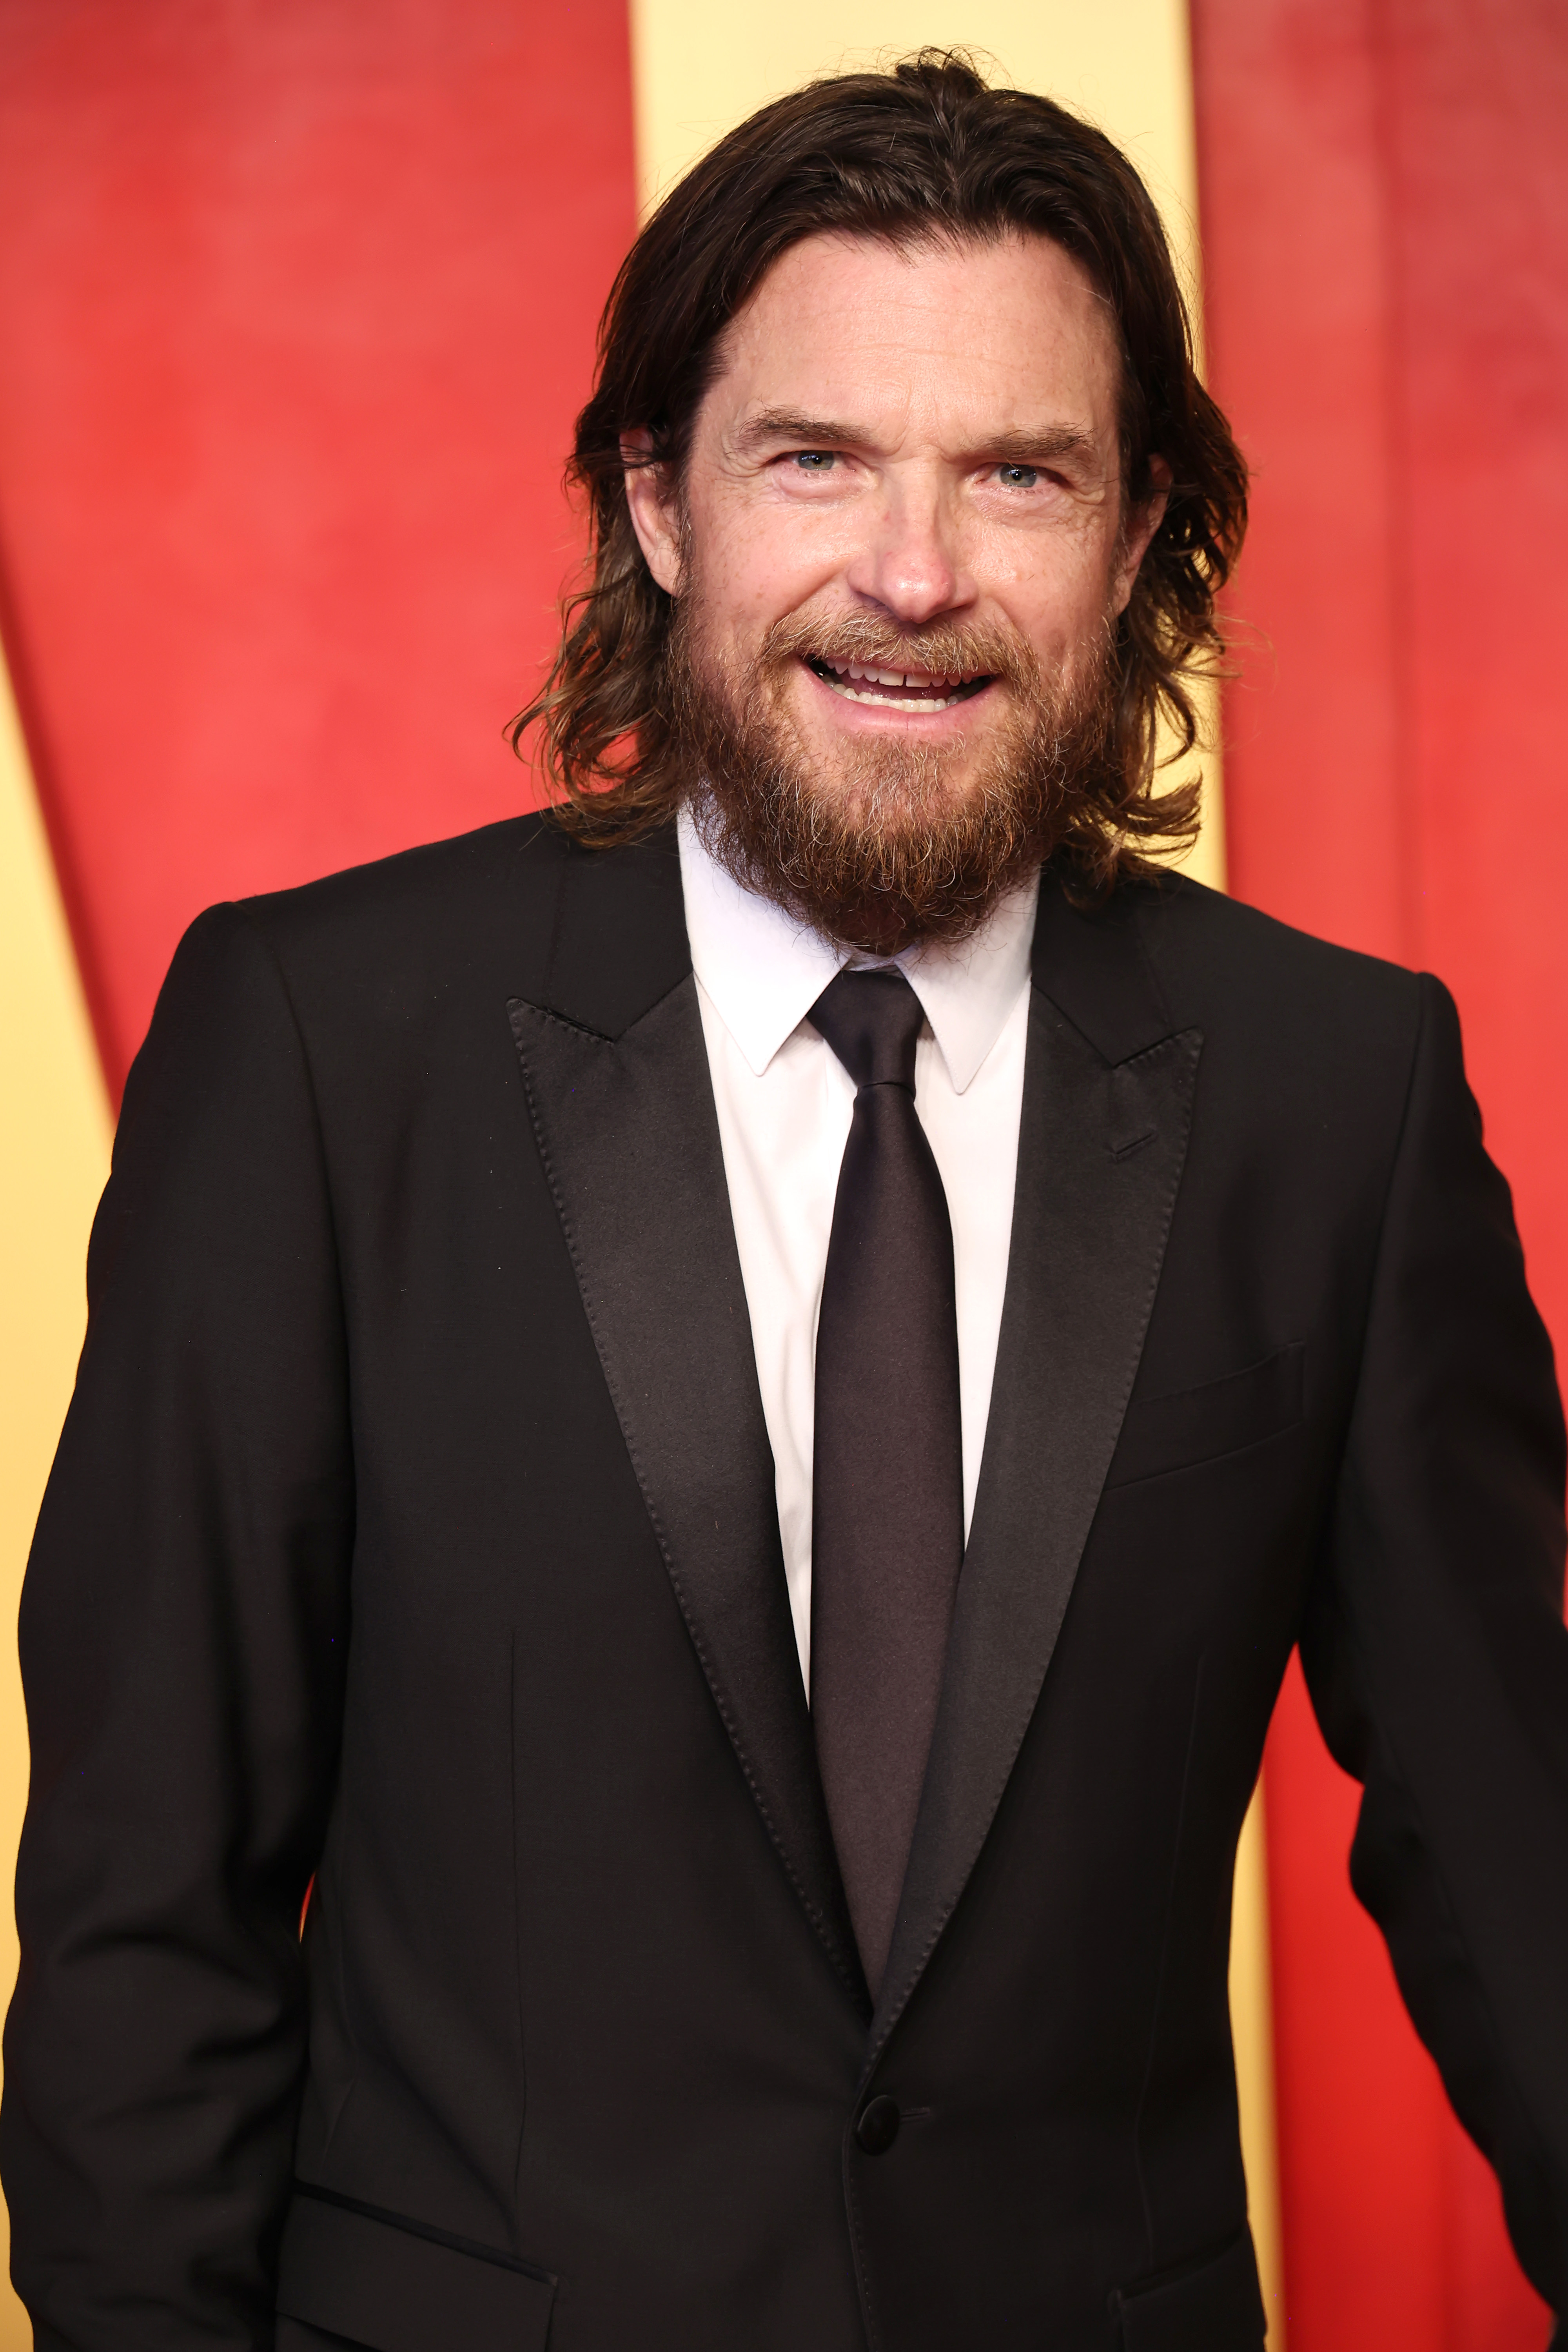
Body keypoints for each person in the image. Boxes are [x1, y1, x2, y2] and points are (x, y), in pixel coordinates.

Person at [5, 48, 1566, 2352]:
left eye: (1017, 473)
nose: (912, 574)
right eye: (814, 459)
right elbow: (155, 1919)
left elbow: (1517, 1863)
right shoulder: (321, 1054)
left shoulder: (1342, 1097)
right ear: (660, 500)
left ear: (1136, 536)